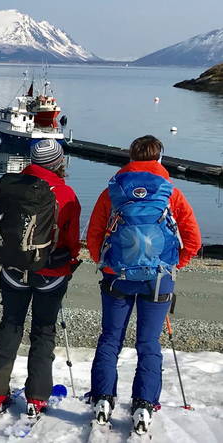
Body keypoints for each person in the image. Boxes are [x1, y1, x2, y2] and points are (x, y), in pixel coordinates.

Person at [87, 135, 201, 432]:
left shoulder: (113, 190)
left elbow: (94, 235)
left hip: (117, 276)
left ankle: (102, 397)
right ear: (160, 158)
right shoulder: (170, 192)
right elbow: (193, 239)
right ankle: (144, 404)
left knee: (111, 339)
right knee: (149, 343)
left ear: (130, 156)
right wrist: (176, 265)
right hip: (158, 280)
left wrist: (104, 263)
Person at [0, 138, 81, 417]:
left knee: (10, 325)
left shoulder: (10, 185)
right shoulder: (66, 193)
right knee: (43, 330)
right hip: (51, 272)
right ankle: (37, 396)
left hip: (13, 269)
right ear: (58, 162)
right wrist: (71, 262)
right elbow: (71, 238)